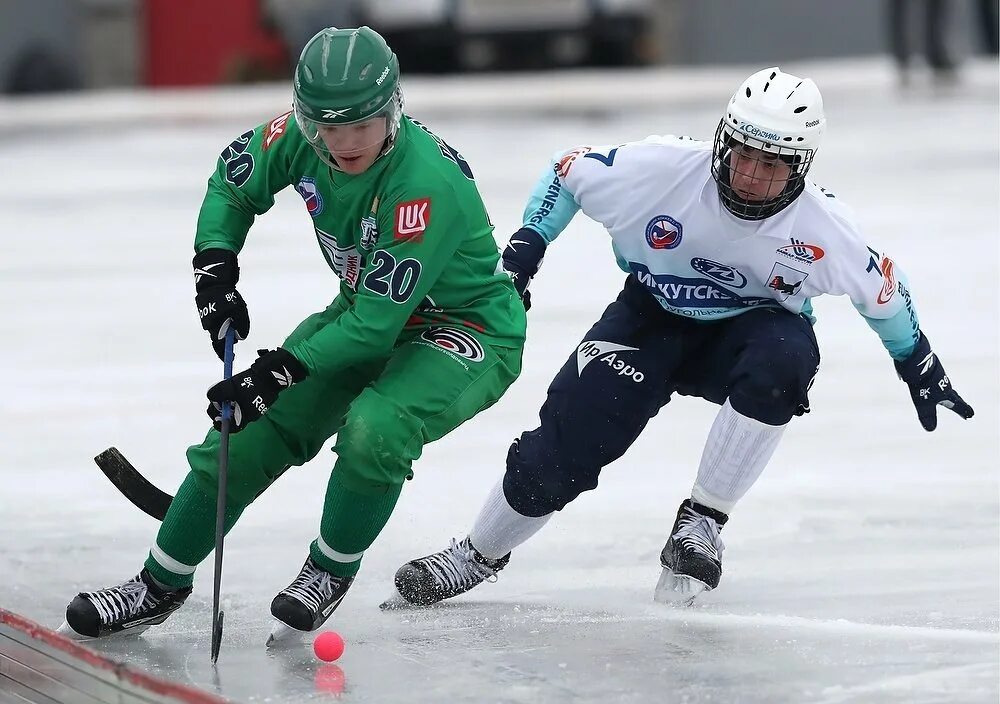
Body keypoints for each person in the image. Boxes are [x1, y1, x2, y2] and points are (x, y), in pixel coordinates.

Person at [387, 67, 975, 608]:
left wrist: (918, 364)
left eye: (771, 166)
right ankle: (478, 553)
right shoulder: (658, 169)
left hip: (749, 333)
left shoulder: (825, 228)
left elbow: (884, 294)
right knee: (567, 443)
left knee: (788, 354)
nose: (749, 177)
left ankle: (703, 520)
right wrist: (526, 252)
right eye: (743, 155)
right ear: (722, 140)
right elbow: (566, 172)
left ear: (801, 168)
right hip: (650, 318)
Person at [58, 26, 526, 641]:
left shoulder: (424, 186)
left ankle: (329, 570)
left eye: (364, 125)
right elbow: (233, 179)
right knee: (246, 431)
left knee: (375, 430)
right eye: (330, 129)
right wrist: (215, 267)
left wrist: (274, 370)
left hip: (462, 330)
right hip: (368, 311)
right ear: (308, 120)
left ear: (394, 110)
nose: (347, 143)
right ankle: (158, 583)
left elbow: (370, 328)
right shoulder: (301, 136)